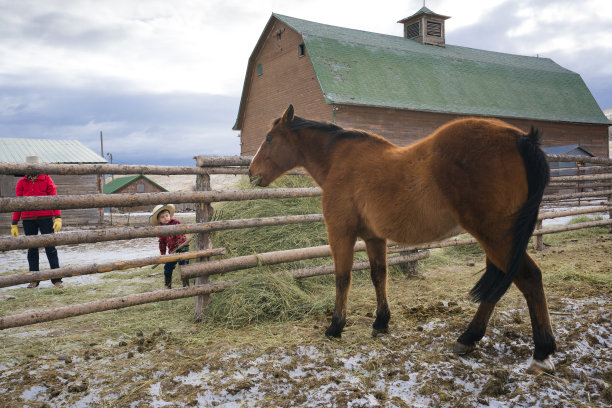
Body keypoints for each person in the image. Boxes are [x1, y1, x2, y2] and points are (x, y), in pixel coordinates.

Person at [11, 156, 64, 288]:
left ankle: (56, 279)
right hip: (28, 220)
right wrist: (14, 222)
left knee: (50, 247)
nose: (31, 169)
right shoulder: (21, 183)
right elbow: (18, 204)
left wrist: (57, 216)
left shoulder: (46, 179)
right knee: (32, 249)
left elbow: (54, 199)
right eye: (29, 167)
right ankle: (34, 279)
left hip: (46, 218)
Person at [149, 204, 190, 289]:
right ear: (159, 220)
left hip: (182, 247)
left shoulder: (176, 222)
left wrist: (179, 244)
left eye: (167, 216)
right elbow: (162, 242)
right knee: (167, 267)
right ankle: (167, 285)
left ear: (170, 216)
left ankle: (186, 285)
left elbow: (180, 234)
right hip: (172, 251)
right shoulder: (161, 229)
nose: (165, 218)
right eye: (162, 217)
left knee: (184, 266)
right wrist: (163, 254)